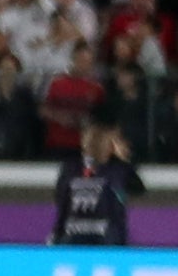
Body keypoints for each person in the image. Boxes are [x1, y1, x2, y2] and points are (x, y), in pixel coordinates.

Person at [54, 97, 142, 248]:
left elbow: (138, 189)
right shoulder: (71, 167)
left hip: (108, 240)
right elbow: (61, 199)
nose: (94, 141)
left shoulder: (117, 169)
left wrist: (125, 161)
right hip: (72, 237)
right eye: (89, 135)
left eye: (102, 138)